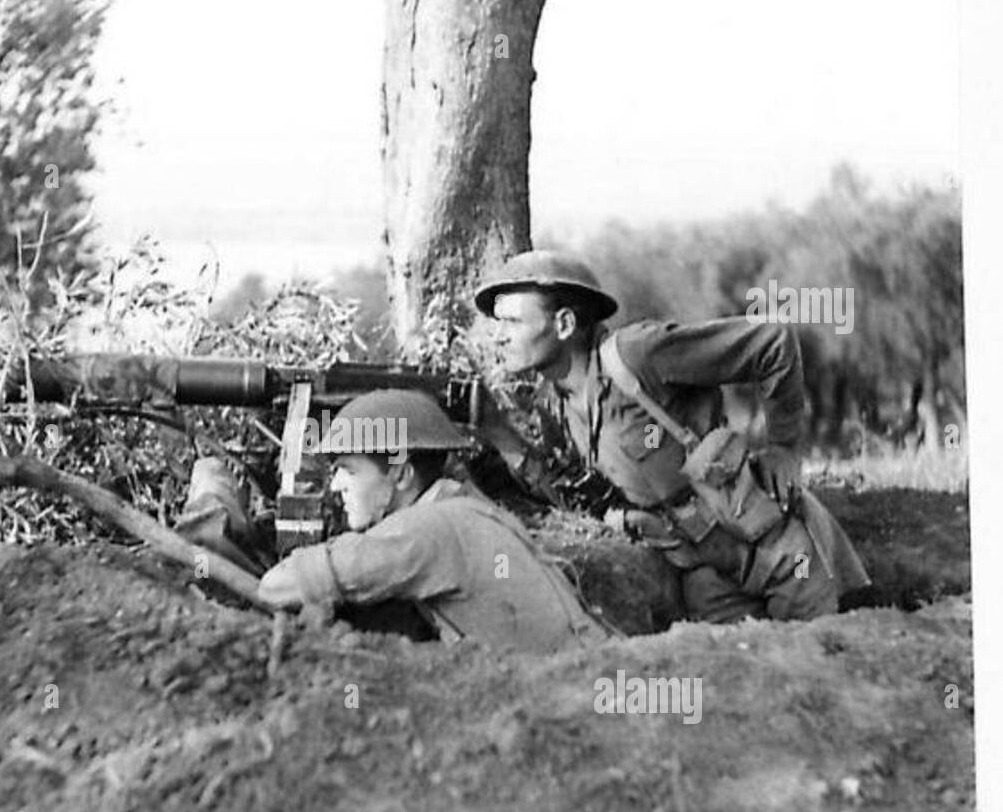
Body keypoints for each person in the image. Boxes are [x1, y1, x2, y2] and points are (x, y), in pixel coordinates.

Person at [473, 250, 869, 623]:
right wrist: (498, 433)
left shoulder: (636, 355)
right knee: (739, 683)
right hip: (704, 575)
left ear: (563, 324)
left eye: (512, 322)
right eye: (497, 323)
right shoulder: (554, 406)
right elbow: (573, 493)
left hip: (775, 550)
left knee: (819, 663)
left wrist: (783, 449)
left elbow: (772, 342)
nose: (498, 336)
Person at [200, 388, 605, 651]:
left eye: (349, 469)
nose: (336, 484)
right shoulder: (466, 510)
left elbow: (277, 586)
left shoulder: (429, 530)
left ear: (400, 473)